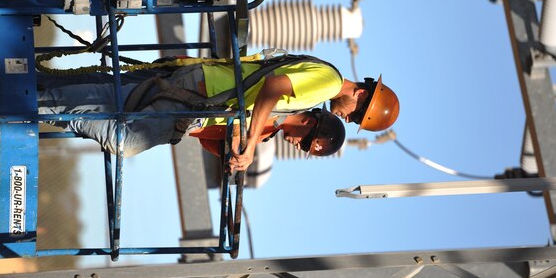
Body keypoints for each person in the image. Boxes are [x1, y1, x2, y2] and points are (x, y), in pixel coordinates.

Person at [36, 52, 399, 170]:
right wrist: (253, 143)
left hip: (205, 86)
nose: (347, 119)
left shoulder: (321, 76)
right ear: (362, 95)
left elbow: (254, 102)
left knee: (112, 96)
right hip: (204, 95)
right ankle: (35, 107)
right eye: (356, 115)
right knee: (125, 140)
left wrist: (241, 145)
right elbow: (271, 88)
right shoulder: (330, 84)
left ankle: (33, 89)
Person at [190, 107, 346, 158]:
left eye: (304, 148)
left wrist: (229, 155)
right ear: (309, 122)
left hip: (183, 124)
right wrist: (238, 139)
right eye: (305, 143)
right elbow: (240, 104)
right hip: (190, 98)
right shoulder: (276, 103)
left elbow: (206, 138)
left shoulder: (265, 135)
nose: (298, 147)